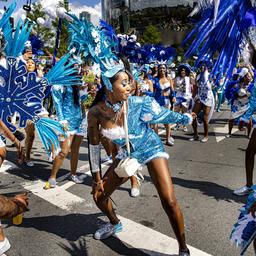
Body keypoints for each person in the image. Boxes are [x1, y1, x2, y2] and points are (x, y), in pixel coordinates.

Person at [88, 68, 196, 256]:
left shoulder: (139, 103)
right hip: (127, 155)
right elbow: (93, 146)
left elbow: (164, 115)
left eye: (129, 81)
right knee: (99, 196)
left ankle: (183, 248)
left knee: (169, 201)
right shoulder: (96, 112)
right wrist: (96, 178)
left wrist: (185, 117)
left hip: (150, 147)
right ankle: (115, 223)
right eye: (123, 83)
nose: (129, 86)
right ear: (108, 85)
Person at [45, 80, 85, 188]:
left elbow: (79, 102)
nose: (76, 70)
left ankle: (73, 174)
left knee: (75, 150)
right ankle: (52, 177)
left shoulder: (77, 83)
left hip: (80, 122)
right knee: (63, 152)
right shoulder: (59, 85)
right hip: (66, 123)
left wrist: (86, 92)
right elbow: (57, 104)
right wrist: (62, 122)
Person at [189, 62, 215, 143]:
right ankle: (196, 135)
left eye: (204, 65)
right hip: (200, 97)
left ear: (207, 67)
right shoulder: (198, 76)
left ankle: (206, 136)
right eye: (201, 66)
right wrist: (192, 98)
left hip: (208, 98)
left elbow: (214, 85)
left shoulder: (210, 75)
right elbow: (196, 88)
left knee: (205, 118)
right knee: (192, 116)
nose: (202, 67)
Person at [226, 68, 253, 138]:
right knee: (232, 118)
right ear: (244, 77)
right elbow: (233, 93)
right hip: (237, 104)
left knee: (249, 120)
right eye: (248, 76)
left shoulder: (252, 85)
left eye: (250, 76)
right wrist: (241, 96)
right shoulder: (237, 84)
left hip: (247, 105)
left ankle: (248, 135)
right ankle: (229, 132)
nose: (250, 78)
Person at [153, 64, 176, 146]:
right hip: (156, 102)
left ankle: (168, 139)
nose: (162, 69)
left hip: (166, 102)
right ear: (158, 69)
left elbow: (172, 90)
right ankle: (156, 141)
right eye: (160, 68)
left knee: (166, 121)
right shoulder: (155, 79)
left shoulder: (169, 79)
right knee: (155, 122)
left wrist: (173, 97)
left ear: (166, 69)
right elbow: (152, 91)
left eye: (164, 68)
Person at [173, 64, 193, 132]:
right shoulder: (177, 78)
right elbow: (174, 87)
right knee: (177, 112)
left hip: (186, 97)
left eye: (184, 71)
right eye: (182, 71)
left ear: (186, 72)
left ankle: (184, 126)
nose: (183, 72)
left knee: (184, 112)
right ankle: (177, 125)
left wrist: (192, 74)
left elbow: (195, 82)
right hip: (178, 96)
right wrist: (179, 88)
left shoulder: (189, 78)